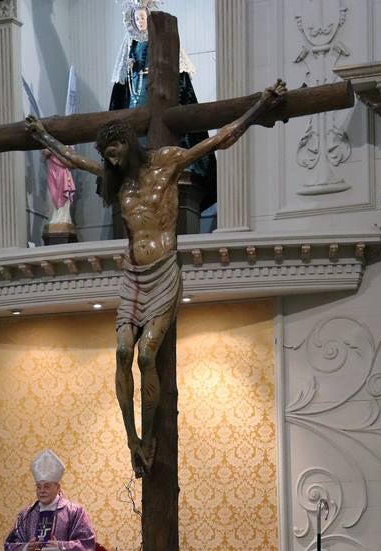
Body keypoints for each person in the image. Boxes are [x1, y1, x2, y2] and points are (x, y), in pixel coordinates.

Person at [25, 79, 288, 477]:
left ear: (129, 144)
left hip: (163, 270)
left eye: (114, 151)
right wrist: (42, 134)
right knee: (120, 352)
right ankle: (130, 436)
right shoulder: (117, 180)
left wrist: (259, 107)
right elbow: (73, 160)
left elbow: (217, 142)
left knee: (147, 354)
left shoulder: (166, 161)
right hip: (132, 273)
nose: (110, 160)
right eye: (106, 154)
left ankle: (149, 439)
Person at [109, 0, 216, 211]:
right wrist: (131, 67)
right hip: (137, 94)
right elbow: (123, 80)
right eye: (137, 18)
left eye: (143, 18)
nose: (140, 22)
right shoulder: (131, 45)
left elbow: (177, 74)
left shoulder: (159, 40)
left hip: (158, 91)